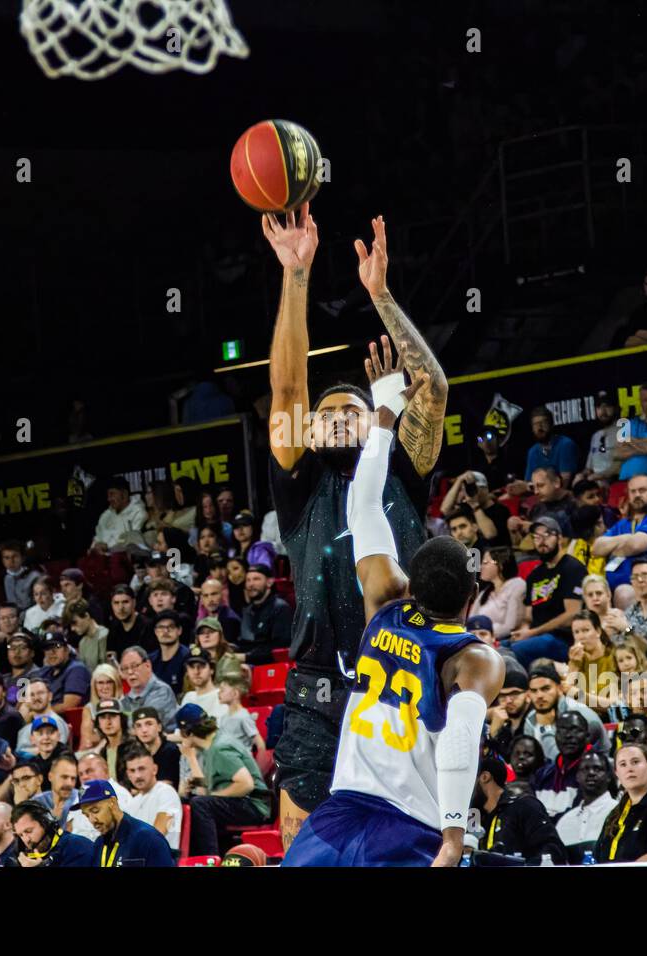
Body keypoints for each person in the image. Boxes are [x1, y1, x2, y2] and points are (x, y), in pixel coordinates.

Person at [281, 351, 505, 867]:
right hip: (408, 824)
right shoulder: (475, 658)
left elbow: (362, 505)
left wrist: (384, 413)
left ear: (409, 583)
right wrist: (453, 836)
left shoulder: (383, 606)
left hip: (340, 814)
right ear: (471, 599)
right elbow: (460, 746)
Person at [264, 212, 445, 849]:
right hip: (316, 693)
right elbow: (287, 385)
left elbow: (434, 388)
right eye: (326, 412)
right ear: (308, 431)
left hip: (400, 675)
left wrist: (382, 297)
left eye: (354, 409)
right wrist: (295, 274)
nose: (338, 417)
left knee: (405, 848)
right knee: (307, 852)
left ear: (376, 423)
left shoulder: (402, 466)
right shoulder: (298, 483)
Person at [177, 704, 273, 855]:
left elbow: (245, 784)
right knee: (190, 801)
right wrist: (199, 782)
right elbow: (220, 784)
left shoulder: (220, 748)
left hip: (255, 805)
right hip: (242, 803)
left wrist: (213, 796)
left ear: (187, 733)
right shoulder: (212, 745)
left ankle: (209, 859)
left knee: (201, 804)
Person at [508, 517, 586, 666]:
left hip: (562, 638)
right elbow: (528, 616)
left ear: (560, 538)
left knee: (515, 651)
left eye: (547, 535)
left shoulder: (573, 568)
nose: (541, 541)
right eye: (536, 537)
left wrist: (533, 632)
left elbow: (572, 614)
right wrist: (524, 631)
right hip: (536, 636)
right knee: (498, 649)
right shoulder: (535, 575)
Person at [472, 751, 565, 864]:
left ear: (484, 777)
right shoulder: (475, 817)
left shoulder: (524, 806)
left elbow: (553, 851)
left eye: (468, 780)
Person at [591, 473, 647, 601]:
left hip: (637, 587)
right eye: (633, 491)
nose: (637, 495)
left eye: (643, 490)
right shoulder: (624, 523)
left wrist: (614, 547)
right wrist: (627, 539)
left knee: (623, 594)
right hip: (608, 587)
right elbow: (597, 548)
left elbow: (636, 545)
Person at [595, 741, 647, 863]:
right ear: (617, 774)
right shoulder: (614, 814)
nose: (629, 769)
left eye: (635, 762)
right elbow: (597, 857)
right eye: (623, 764)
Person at [521, 662, 609, 762]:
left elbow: (565, 762)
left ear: (559, 688)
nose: (539, 695)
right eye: (534, 691)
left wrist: (545, 728)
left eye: (546, 689)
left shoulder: (580, 715)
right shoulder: (531, 719)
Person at [554, 752, 619, 856]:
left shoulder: (619, 813)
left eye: (597, 769)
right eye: (585, 769)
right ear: (577, 777)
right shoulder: (565, 821)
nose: (591, 773)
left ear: (609, 776)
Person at [122, 745, 183, 854]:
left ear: (154, 769)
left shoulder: (166, 792)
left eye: (142, 769)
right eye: (132, 770)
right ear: (128, 774)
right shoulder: (132, 803)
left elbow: (157, 835)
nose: (137, 775)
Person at [236, 563, 293, 665]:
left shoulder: (280, 608)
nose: (250, 584)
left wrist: (247, 657)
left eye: (256, 579)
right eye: (248, 580)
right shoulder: (247, 610)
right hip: (247, 665)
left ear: (269, 582)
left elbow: (280, 647)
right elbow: (245, 641)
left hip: (271, 668)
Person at [11, 800, 96, 867]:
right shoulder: (26, 859)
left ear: (45, 823)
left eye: (29, 831)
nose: (26, 840)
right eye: (21, 835)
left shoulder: (77, 847)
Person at [470, 547, 525, 643]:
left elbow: (510, 626)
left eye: (486, 562)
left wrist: (485, 635)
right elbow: (471, 621)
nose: (481, 566)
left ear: (500, 565)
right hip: (479, 639)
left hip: (503, 641)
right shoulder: (485, 592)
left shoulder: (517, 585)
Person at [118, 647, 180, 731]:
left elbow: (145, 726)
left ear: (148, 665)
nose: (130, 672)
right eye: (125, 668)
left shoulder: (162, 691)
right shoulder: (127, 698)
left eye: (134, 666)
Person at [90, 476, 148, 553]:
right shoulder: (106, 515)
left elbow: (133, 543)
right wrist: (95, 546)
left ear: (124, 494)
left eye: (112, 494)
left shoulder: (138, 513)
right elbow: (97, 538)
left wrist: (107, 547)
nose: (109, 499)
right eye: (108, 495)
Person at [525, 408, 580, 486]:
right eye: (535, 424)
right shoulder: (532, 451)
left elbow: (565, 482)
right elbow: (529, 482)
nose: (539, 427)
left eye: (543, 422)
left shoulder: (565, 444)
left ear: (551, 424)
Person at [128, 707, 181, 787]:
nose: (144, 730)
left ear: (159, 727)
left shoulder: (170, 750)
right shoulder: (134, 752)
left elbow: (165, 787)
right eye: (139, 726)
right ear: (134, 731)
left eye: (149, 724)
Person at [486, 667, 533, 756]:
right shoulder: (500, 720)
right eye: (503, 695)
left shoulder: (534, 718)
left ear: (528, 694)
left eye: (514, 694)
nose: (508, 701)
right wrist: (494, 731)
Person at [216, 674, 264, 754]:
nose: (218, 693)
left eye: (222, 690)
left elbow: (260, 745)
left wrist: (257, 766)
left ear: (235, 694)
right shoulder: (224, 717)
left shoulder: (243, 716)